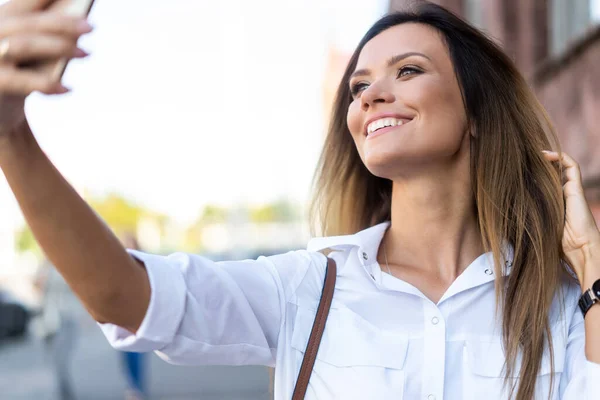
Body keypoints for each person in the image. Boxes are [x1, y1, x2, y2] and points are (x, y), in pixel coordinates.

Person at [0, 1, 598, 399]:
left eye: (408, 71)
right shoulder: (308, 289)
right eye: (359, 86)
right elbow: (127, 299)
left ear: (478, 113)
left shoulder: (558, 299)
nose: (371, 96)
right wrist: (11, 134)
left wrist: (593, 268)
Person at [119, 233, 148, 400]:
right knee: (126, 355)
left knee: (137, 354)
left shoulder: (143, 263)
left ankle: (137, 388)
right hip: (122, 318)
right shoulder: (117, 264)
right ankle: (132, 386)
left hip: (140, 317)